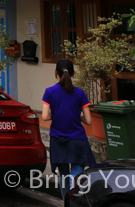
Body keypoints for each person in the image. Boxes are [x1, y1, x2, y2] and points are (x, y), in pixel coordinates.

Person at [41, 59, 96, 199]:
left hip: (58, 140)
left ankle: (67, 201)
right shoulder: (80, 93)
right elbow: (89, 121)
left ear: (56, 73)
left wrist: (58, 113)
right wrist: (77, 115)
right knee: (77, 174)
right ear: (72, 74)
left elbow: (45, 117)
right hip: (78, 140)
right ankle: (76, 200)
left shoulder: (49, 92)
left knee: (63, 174)